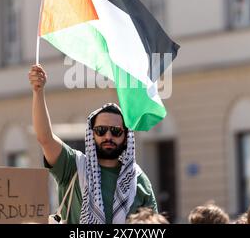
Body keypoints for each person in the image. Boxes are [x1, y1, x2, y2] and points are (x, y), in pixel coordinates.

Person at [28, 64, 158, 224]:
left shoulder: (138, 180)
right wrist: (38, 91)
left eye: (116, 131)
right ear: (92, 134)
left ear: (126, 138)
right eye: (101, 130)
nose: (108, 136)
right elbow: (45, 138)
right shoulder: (73, 166)